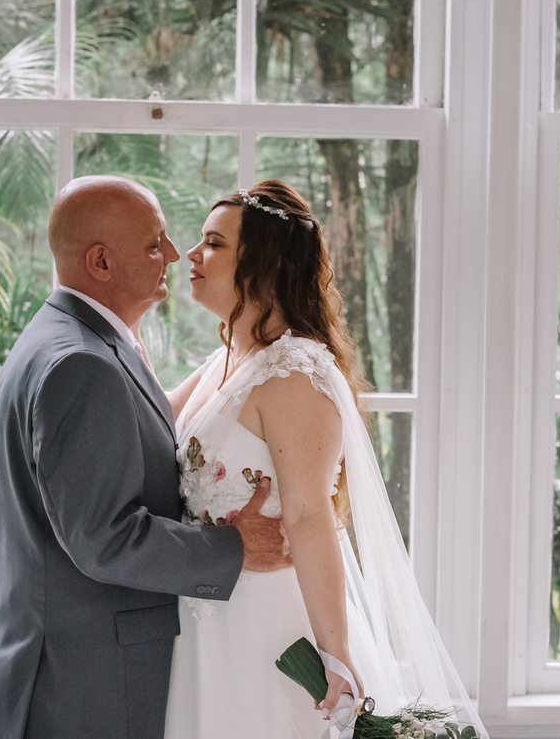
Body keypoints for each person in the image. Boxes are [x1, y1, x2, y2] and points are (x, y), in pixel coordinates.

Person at [164, 180, 487, 738]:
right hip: (204, 621)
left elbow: (311, 516)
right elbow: (148, 426)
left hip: (263, 628)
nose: (191, 255)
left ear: (262, 264)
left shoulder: (293, 373)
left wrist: (334, 653)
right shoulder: (227, 358)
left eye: (213, 244)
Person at [0, 176, 292, 739]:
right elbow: (104, 538)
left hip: (63, 665)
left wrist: (243, 356)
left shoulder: (70, 340)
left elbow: (134, 437)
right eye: (155, 243)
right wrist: (233, 549)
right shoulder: (83, 365)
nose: (174, 254)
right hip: (85, 683)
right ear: (100, 262)